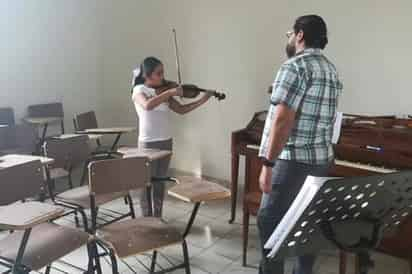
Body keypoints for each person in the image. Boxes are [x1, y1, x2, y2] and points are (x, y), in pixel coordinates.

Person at [257, 15, 343, 274]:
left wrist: (268, 164)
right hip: (320, 161)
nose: (289, 38)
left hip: (291, 161)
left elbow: (282, 122)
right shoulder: (330, 69)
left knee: (269, 220)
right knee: (306, 223)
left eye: (289, 34)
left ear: (300, 35)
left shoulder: (294, 66)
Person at [131, 56, 211, 217]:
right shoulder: (139, 91)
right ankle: (146, 220)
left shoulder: (164, 92)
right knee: (145, 183)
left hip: (166, 142)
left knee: (160, 182)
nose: (163, 77)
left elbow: (181, 110)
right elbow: (147, 105)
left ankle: (158, 216)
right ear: (147, 75)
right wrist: (170, 92)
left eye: (163, 73)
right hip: (148, 144)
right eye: (158, 73)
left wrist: (203, 100)